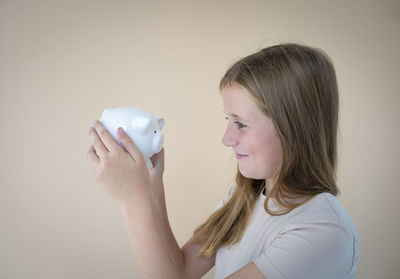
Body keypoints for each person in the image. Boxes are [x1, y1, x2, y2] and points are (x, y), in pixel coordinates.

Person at [87, 43, 359, 279]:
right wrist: (150, 185)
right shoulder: (245, 197)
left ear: (296, 129)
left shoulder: (323, 233)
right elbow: (176, 272)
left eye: (241, 124)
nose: (227, 139)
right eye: (228, 120)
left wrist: (133, 200)